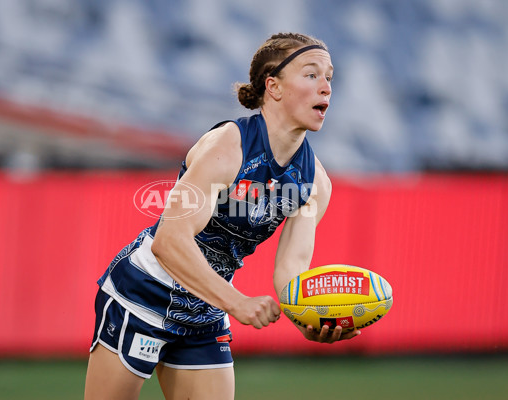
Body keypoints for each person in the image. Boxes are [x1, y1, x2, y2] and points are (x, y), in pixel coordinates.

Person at [84, 32, 360, 400]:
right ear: (273, 87)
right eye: (311, 75)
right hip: (144, 295)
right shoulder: (228, 147)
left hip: (206, 307)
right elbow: (170, 240)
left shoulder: (315, 183)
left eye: (329, 77)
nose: (326, 87)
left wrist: (307, 319)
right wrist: (236, 302)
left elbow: (290, 270)